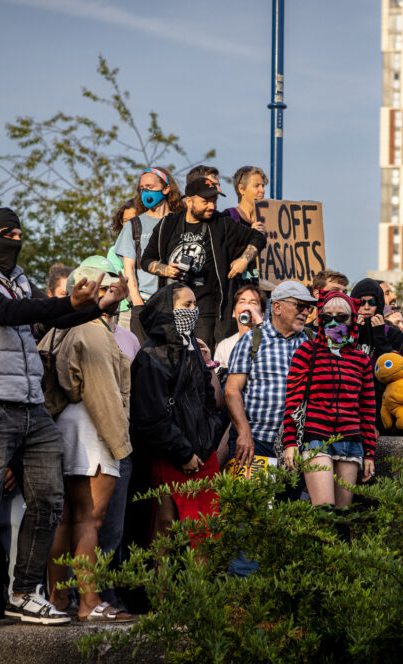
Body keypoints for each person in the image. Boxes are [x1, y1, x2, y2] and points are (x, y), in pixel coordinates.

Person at [0, 207, 127, 632]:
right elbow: (4, 313)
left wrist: (96, 305)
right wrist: (68, 301)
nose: (15, 240)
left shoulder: (17, 280)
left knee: (48, 503)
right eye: (8, 234)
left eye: (20, 233)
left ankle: (25, 593)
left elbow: (43, 318)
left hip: (30, 406)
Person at [43, 261, 134, 622]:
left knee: (65, 520)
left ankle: (58, 598)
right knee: (89, 522)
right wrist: (120, 444)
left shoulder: (62, 326)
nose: (117, 292)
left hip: (66, 426)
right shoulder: (93, 331)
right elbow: (104, 397)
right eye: (110, 286)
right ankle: (90, 601)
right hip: (93, 429)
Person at [129, 283, 225, 543]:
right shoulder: (151, 355)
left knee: (206, 529)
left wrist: (208, 437)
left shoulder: (192, 346)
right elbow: (150, 416)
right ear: (167, 309)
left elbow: (207, 397)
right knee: (166, 526)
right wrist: (183, 452)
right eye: (186, 305)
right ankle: (164, 584)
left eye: (195, 304)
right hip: (174, 455)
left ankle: (198, 585)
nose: (194, 310)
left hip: (203, 454)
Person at [140, 176, 266, 348]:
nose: (212, 206)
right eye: (205, 201)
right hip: (171, 309)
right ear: (189, 201)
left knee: (201, 357)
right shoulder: (167, 224)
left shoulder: (222, 223)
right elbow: (146, 259)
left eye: (214, 201)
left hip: (205, 310)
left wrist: (243, 260)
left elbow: (258, 237)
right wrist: (165, 269)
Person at [281, 292, 375, 507]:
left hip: (351, 442)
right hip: (316, 438)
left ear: (352, 319)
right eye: (327, 317)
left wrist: (369, 452)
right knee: (324, 510)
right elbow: (293, 401)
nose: (333, 322)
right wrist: (290, 442)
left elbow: (368, 409)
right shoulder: (307, 351)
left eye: (341, 317)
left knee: (343, 517)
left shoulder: (361, 359)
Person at [224, 281, 315, 466]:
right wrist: (244, 433)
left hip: (299, 446)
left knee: (291, 496)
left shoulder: (312, 341)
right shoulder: (252, 340)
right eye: (300, 306)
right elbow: (232, 391)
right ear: (277, 306)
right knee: (256, 495)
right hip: (256, 442)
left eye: (309, 307)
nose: (306, 312)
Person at [115, 167, 184, 340]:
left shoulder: (181, 221)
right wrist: (137, 303)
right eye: (142, 188)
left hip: (176, 302)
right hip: (145, 304)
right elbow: (128, 269)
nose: (145, 192)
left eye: (150, 187)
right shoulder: (135, 225)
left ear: (166, 188)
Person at [350, 278, 403, 431]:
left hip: (381, 407)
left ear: (379, 304)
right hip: (351, 403)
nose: (366, 307)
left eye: (372, 302)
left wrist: (380, 338)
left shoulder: (393, 334)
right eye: (361, 302)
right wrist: (355, 336)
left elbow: (396, 372)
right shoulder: (345, 332)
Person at [213, 285, 265, 368]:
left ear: (262, 315)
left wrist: (258, 321)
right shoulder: (224, 346)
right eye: (242, 302)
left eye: (253, 303)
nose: (247, 306)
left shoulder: (270, 341)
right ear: (234, 313)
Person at [227, 166, 267, 232]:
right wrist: (251, 233)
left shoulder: (267, 218)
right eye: (256, 186)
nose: (262, 190)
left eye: (263, 186)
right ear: (241, 189)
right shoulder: (228, 217)